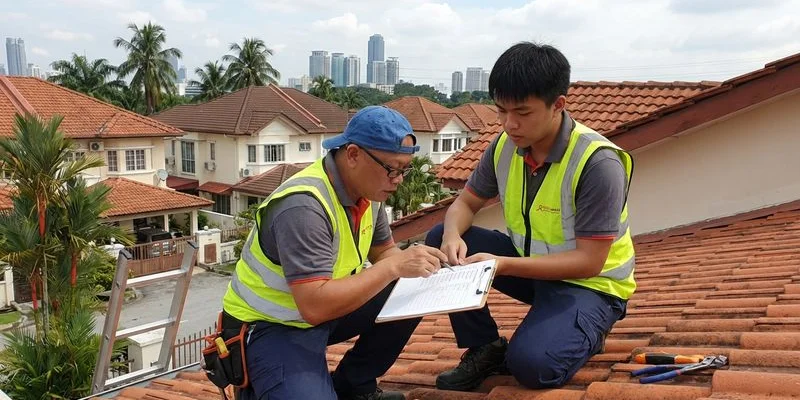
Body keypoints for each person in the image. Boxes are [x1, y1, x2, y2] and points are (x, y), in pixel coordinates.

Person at [426, 42, 636, 391]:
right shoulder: (504, 146)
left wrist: (502, 265)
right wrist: (451, 238)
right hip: (534, 269)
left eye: (523, 112)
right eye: (501, 111)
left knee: (533, 366)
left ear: (558, 105)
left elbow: (590, 262)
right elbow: (464, 205)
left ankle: (586, 330)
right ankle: (485, 347)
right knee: (438, 238)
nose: (510, 124)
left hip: (591, 286)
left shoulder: (597, 163)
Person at [221, 106, 449, 400]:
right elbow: (315, 307)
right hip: (272, 326)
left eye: (404, 170)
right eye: (392, 169)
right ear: (353, 155)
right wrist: (395, 267)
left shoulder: (368, 193)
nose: (398, 179)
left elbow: (384, 253)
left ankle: (354, 387)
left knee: (413, 288)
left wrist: (426, 268)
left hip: (323, 310)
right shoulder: (304, 207)